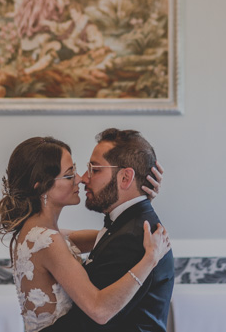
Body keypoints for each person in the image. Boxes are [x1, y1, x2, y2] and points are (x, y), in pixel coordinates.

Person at [0, 137, 171, 332]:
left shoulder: (38, 233)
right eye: (69, 175)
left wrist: (137, 200)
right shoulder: (47, 241)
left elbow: (109, 237)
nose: (80, 178)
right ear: (41, 185)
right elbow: (99, 310)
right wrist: (149, 259)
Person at [43, 129, 174, 332]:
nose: (84, 178)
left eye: (95, 170)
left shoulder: (132, 237)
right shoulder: (125, 226)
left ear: (125, 178)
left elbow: (90, 322)